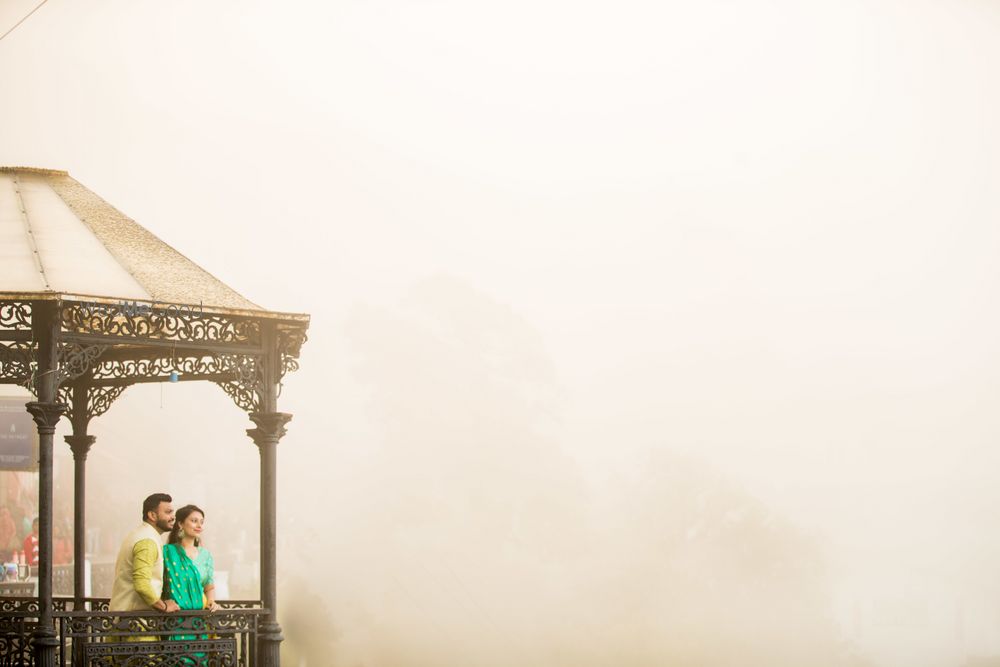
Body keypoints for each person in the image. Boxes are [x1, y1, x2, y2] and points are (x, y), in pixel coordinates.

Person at [110, 493, 179, 615]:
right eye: (168, 512)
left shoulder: (141, 534)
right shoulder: (147, 541)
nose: (173, 517)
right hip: (135, 624)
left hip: (128, 620)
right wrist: (164, 606)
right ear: (152, 515)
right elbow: (142, 584)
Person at [162, 504, 220, 646]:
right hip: (173, 620)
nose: (199, 525)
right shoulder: (167, 552)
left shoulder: (205, 555)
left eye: (201, 521)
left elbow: (208, 586)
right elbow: (157, 582)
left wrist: (212, 602)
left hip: (199, 622)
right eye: (194, 521)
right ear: (180, 523)